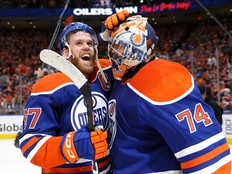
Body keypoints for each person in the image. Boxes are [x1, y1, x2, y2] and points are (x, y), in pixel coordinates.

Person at [100, 11, 232, 173]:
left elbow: (207, 157)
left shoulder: (161, 77)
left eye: (119, 46)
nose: (114, 53)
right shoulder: (123, 78)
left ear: (137, 44)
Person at [19, 22, 114, 173]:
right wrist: (74, 145)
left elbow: (131, 64)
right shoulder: (49, 87)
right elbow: (31, 146)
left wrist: (117, 31)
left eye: (90, 43)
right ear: (65, 52)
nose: (86, 47)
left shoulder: (106, 73)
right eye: (79, 43)